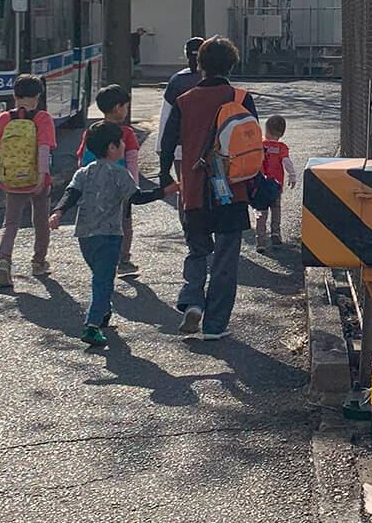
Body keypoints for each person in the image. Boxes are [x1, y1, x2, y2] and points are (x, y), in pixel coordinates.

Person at [163, 37, 256, 340]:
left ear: (199, 65)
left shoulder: (185, 100)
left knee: (197, 251)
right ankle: (215, 325)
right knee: (226, 259)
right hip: (233, 189)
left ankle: (192, 301)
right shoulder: (240, 98)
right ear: (232, 64)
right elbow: (253, 144)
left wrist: (166, 175)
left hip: (195, 189)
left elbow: (167, 143)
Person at [49, 121, 167, 347]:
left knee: (100, 277)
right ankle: (92, 326)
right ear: (112, 147)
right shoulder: (120, 173)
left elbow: (71, 194)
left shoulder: (83, 172)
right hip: (110, 235)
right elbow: (136, 197)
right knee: (103, 281)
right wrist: (164, 192)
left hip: (85, 235)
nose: (124, 145)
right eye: (121, 142)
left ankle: (102, 310)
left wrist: (58, 213)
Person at [0, 74, 58, 292]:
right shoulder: (42, 118)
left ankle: (4, 261)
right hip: (37, 178)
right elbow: (44, 148)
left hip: (11, 178)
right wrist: (41, 176)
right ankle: (38, 263)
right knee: (40, 221)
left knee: (11, 223)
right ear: (38, 96)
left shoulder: (3, 118)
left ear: (14, 95)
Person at [84, 83, 145, 278]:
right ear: (118, 108)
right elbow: (132, 160)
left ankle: (101, 259)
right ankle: (124, 261)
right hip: (120, 189)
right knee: (124, 223)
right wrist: (133, 187)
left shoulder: (92, 131)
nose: (126, 111)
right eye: (126, 107)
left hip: (96, 188)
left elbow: (82, 159)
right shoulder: (126, 133)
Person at [159, 35, 205, 178]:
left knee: (184, 186)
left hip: (180, 144)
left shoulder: (177, 80)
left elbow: (166, 114)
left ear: (186, 54)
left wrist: (161, 145)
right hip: (208, 145)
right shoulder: (214, 79)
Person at [255, 115, 299, 252]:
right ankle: (275, 233)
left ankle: (260, 240)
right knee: (276, 210)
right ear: (282, 133)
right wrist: (292, 175)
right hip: (276, 185)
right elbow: (286, 162)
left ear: (266, 131)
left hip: (261, 184)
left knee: (261, 213)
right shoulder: (282, 148)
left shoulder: (260, 145)